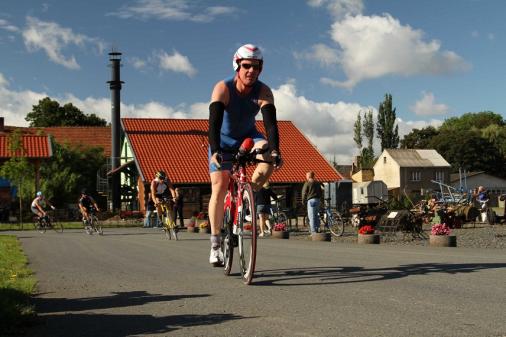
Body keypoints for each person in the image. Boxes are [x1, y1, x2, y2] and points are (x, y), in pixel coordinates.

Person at [207, 43, 283, 264]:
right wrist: (215, 151)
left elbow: (270, 126)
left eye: (256, 67)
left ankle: (248, 194)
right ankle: (215, 244)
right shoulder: (223, 88)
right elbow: (213, 123)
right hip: (222, 141)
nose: (251, 71)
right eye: (247, 66)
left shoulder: (264, 91)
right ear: (237, 65)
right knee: (219, 187)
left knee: (268, 156)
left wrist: (276, 150)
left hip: (248, 137)